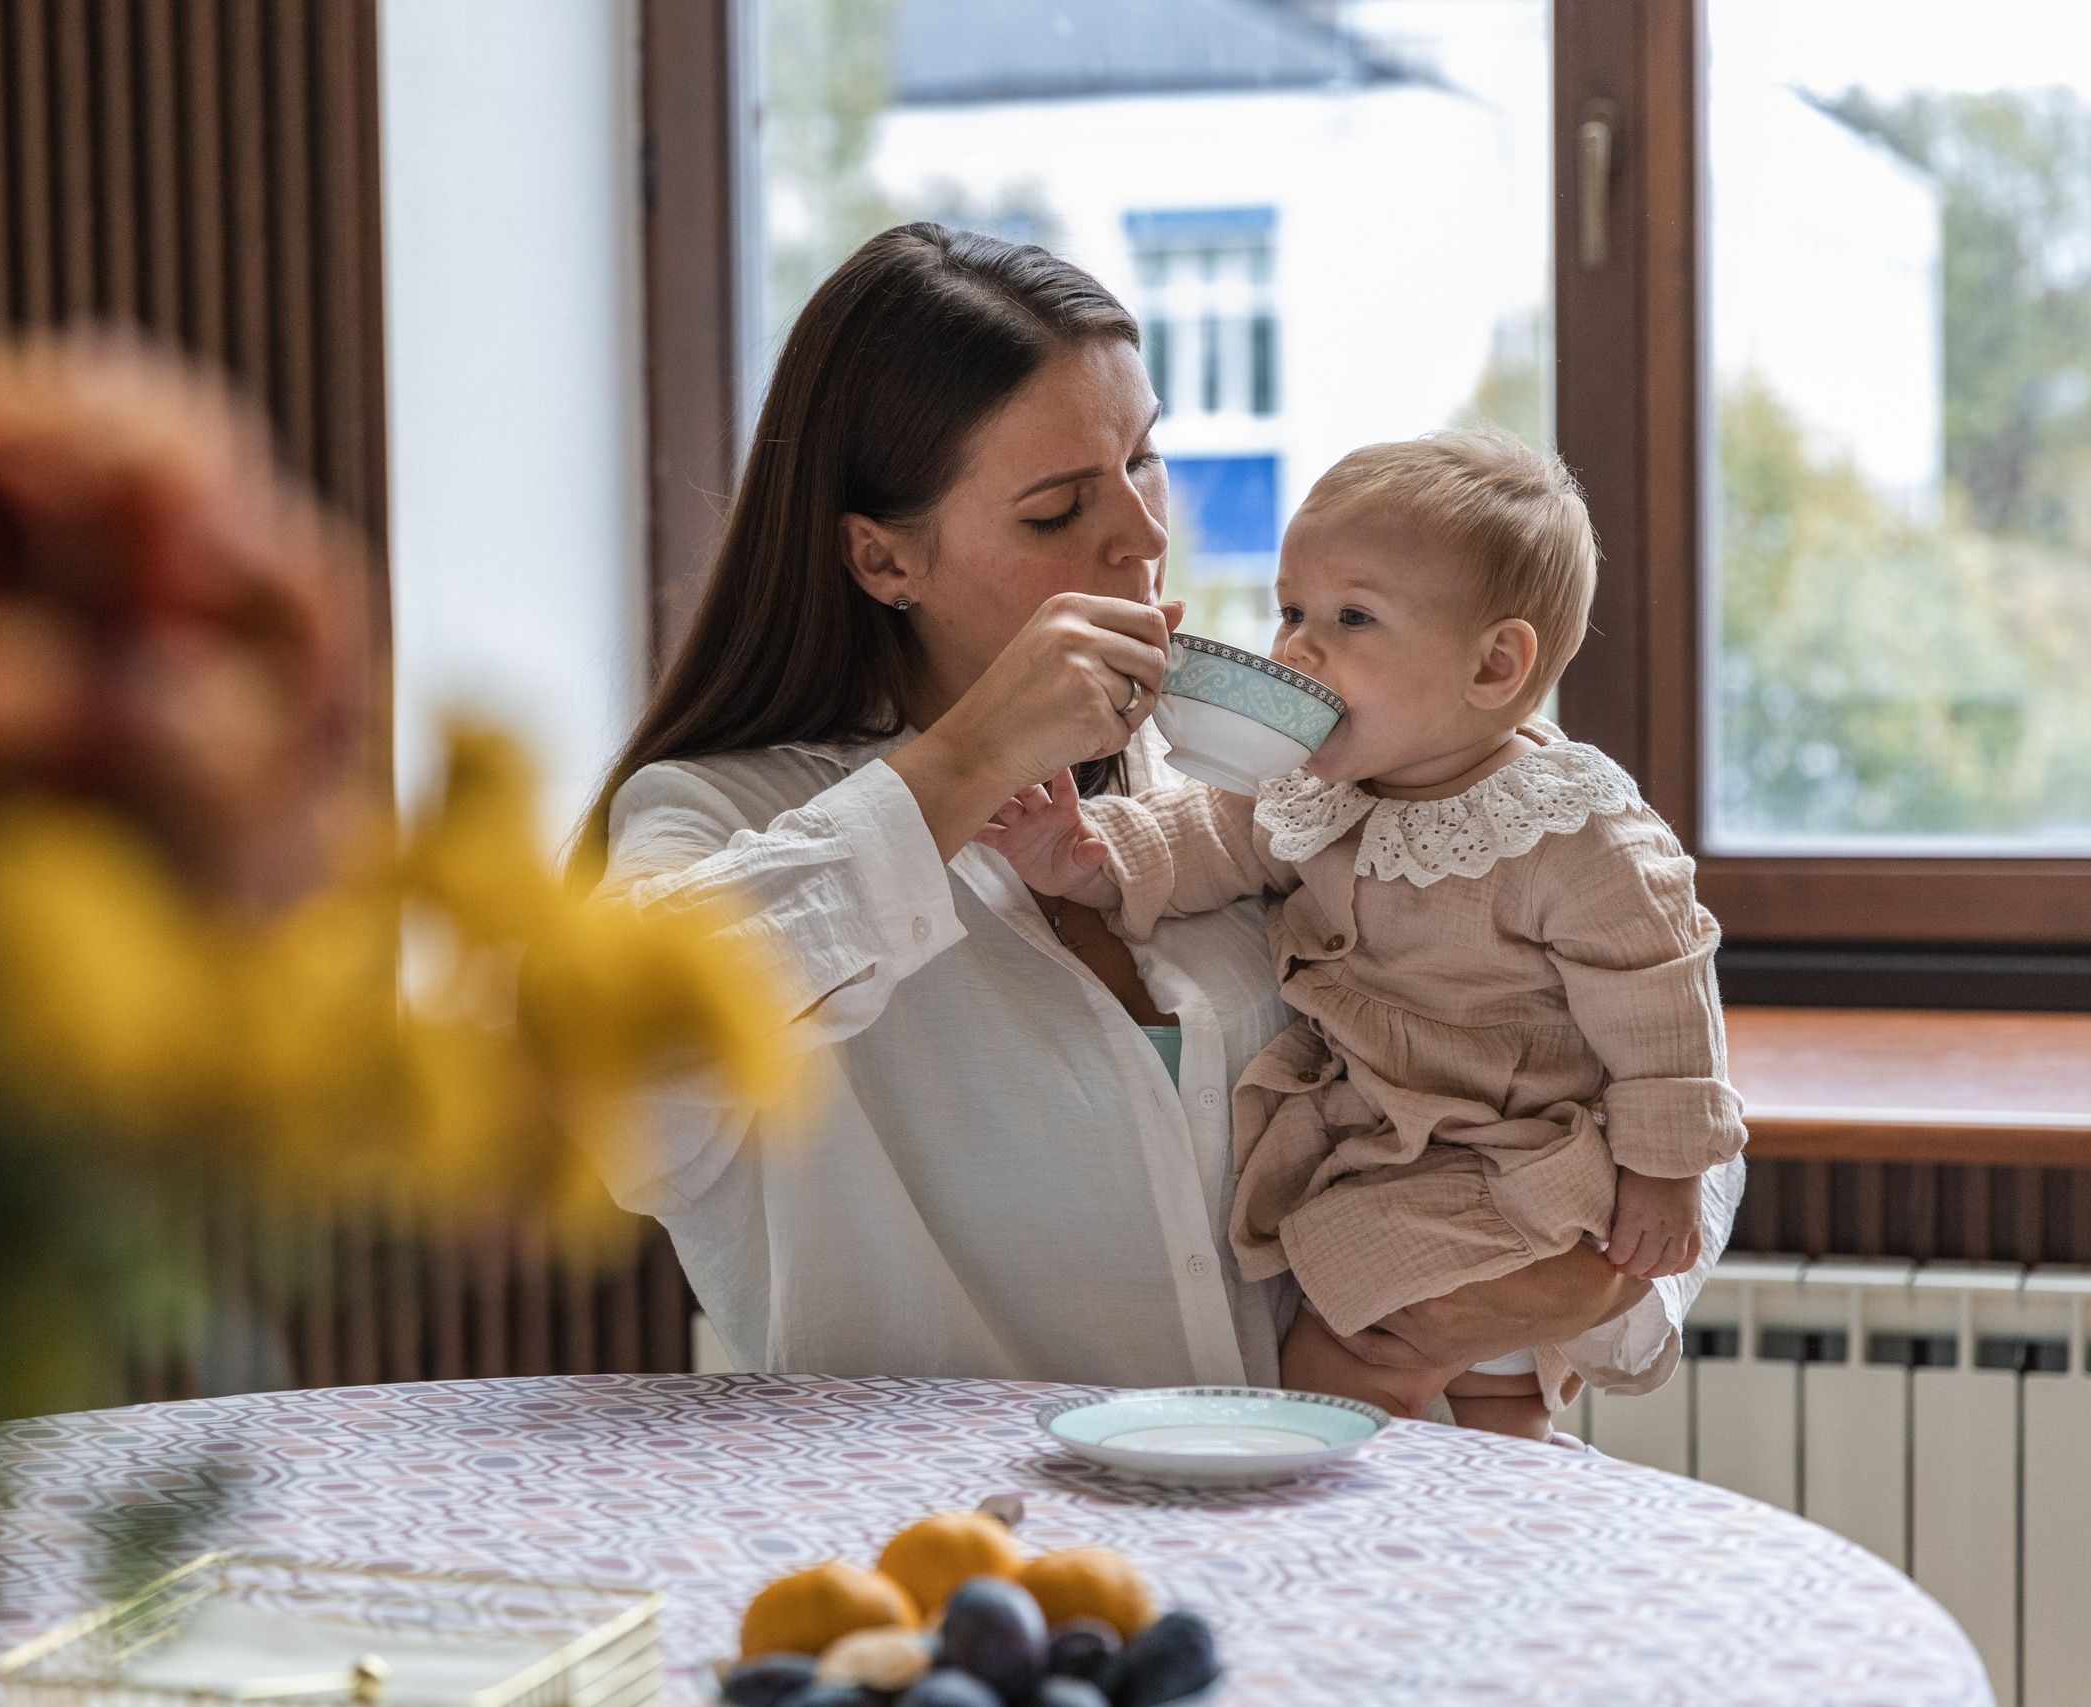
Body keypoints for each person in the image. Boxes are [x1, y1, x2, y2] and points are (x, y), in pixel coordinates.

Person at [581, 222, 1738, 1405]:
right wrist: (968, 759)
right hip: (974, 1555)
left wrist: (1588, 1285)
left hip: (1341, 1527)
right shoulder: (722, 813)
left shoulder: (1248, 775)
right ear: (883, 561)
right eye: (1054, 510)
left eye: (1143, 461)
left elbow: (1622, 1041)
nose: (1139, 535)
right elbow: (609, 1072)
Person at [982, 431, 1746, 1438]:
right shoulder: (1316, 785)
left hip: (1515, 1164)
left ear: (1493, 664)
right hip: (1386, 1150)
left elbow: (1662, 1003)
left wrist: (1663, 1171)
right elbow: (1208, 832)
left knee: (1356, 1381)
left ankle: (1420, 1535)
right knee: (1448, 1396)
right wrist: (1092, 859)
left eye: (1350, 618)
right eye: (1289, 609)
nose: (1295, 647)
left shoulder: (1569, 826)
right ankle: (1454, 1541)